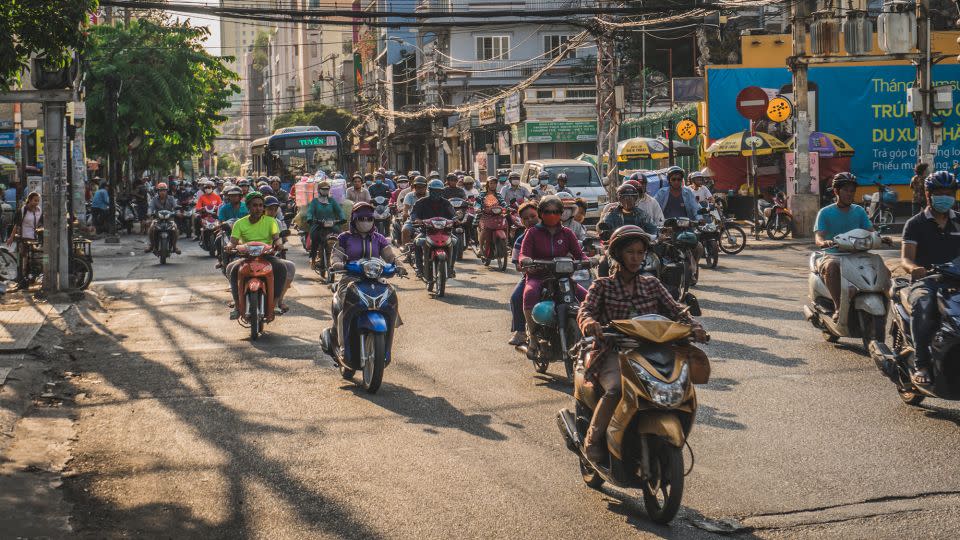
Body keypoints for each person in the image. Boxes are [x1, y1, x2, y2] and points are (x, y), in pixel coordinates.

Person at [578, 225, 708, 462]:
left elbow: (676, 310)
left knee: (679, 386)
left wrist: (694, 326)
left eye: (640, 252)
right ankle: (592, 440)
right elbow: (585, 310)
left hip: (653, 353)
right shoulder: (602, 285)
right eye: (630, 252)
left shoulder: (652, 284)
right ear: (617, 254)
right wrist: (589, 323)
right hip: (613, 352)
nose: (636, 258)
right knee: (617, 389)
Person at [900, 170, 960, 385]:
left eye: (949, 192)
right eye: (940, 192)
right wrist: (914, 269)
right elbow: (906, 259)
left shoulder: (959, 221)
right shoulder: (915, 224)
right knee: (924, 306)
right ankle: (922, 363)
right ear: (928, 195)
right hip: (928, 281)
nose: (945, 196)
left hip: (956, 281)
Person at [326, 202, 406, 344]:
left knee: (390, 298)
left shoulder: (379, 238)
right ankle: (342, 344)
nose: (365, 222)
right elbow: (337, 255)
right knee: (345, 307)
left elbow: (390, 256)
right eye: (361, 219)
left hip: (376, 279)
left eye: (369, 219)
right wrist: (336, 263)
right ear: (354, 219)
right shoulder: (344, 237)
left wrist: (399, 265)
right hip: (350, 278)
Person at [518, 196, 589, 352]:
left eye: (556, 212)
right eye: (548, 212)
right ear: (541, 213)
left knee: (589, 297)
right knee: (529, 293)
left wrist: (587, 260)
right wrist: (526, 260)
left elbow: (579, 254)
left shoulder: (568, 233)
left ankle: (591, 335)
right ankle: (533, 338)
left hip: (563, 277)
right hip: (538, 276)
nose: (552, 215)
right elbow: (522, 254)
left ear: (561, 213)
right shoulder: (532, 233)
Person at [813, 172, 876, 317]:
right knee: (832, 267)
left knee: (881, 268)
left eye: (852, 190)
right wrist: (824, 242)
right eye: (846, 190)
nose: (849, 193)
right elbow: (818, 237)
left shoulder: (859, 211)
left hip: (857, 255)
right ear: (836, 191)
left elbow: (871, 231)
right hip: (833, 255)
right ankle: (838, 306)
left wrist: (880, 238)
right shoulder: (825, 213)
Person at [226, 192, 287, 318]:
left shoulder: (271, 222)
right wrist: (229, 247)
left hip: (266, 256)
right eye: (255, 205)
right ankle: (237, 306)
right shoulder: (239, 223)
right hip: (246, 257)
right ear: (248, 207)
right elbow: (233, 242)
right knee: (232, 269)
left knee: (281, 267)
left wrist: (279, 244)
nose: (258, 208)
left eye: (260, 205)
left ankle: (274, 304)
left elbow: (276, 238)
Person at [407, 179, 457, 276]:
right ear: (429, 190)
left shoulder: (446, 203)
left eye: (439, 191)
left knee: (455, 241)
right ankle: (419, 268)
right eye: (434, 191)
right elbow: (414, 214)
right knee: (416, 242)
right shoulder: (421, 202)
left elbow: (453, 214)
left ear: (442, 191)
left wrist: (456, 220)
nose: (436, 193)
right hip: (426, 231)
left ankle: (451, 268)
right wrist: (417, 219)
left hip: (445, 232)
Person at [508, 201, 540, 345]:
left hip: (557, 274)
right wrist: (528, 268)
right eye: (526, 218)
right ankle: (520, 331)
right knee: (516, 297)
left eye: (533, 216)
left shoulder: (552, 232)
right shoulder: (520, 239)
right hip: (531, 276)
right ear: (521, 221)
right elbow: (517, 265)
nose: (530, 220)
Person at [305, 179, 346, 265]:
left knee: (341, 238)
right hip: (318, 225)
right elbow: (310, 211)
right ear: (319, 190)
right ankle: (313, 258)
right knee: (315, 238)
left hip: (332, 225)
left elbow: (339, 211)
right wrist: (310, 218)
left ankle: (341, 257)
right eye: (323, 189)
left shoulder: (332, 201)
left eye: (327, 189)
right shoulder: (315, 202)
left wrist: (342, 218)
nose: (325, 191)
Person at [6, 191, 42, 286]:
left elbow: (40, 224)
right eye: (35, 200)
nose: (36, 203)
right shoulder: (23, 210)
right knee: (24, 258)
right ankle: (22, 279)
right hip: (24, 237)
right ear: (29, 200)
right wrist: (11, 237)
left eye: (38, 201)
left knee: (33, 258)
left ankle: (30, 277)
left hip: (34, 238)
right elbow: (16, 225)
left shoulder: (39, 210)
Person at [144, 183, 181, 254]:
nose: (162, 192)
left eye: (164, 190)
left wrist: (178, 212)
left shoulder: (171, 198)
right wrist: (149, 214)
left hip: (169, 218)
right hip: (157, 219)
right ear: (158, 191)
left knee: (175, 228)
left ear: (166, 191)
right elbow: (150, 207)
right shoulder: (154, 199)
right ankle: (151, 245)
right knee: (151, 227)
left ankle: (174, 246)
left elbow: (176, 207)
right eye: (160, 190)